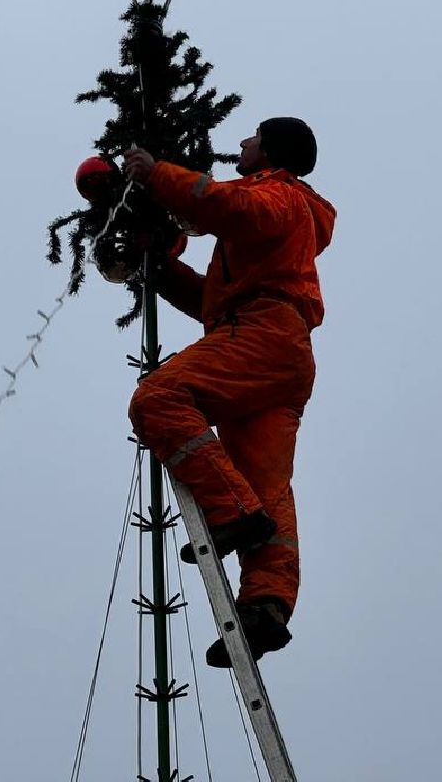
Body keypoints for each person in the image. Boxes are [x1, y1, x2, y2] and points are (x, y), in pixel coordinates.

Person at [122, 117, 335, 666]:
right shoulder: (280, 230)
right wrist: (161, 268)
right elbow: (214, 306)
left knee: (158, 400)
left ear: (272, 151)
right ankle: (267, 603)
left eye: (253, 135)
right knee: (267, 484)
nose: (242, 142)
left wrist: (156, 173)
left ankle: (233, 513)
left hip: (262, 335)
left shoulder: (279, 194)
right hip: (277, 348)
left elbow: (232, 208)